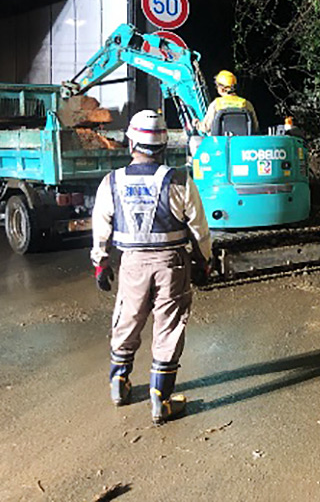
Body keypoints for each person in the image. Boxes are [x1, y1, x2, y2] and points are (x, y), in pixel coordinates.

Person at [91, 109, 212, 425]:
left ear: (131, 143)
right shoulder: (180, 181)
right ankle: (161, 401)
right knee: (169, 327)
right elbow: (199, 230)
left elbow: (101, 226)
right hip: (171, 264)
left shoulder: (111, 181)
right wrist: (204, 263)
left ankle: (119, 384)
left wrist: (101, 263)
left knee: (128, 319)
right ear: (163, 145)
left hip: (132, 264)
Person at [194, 69, 259, 135]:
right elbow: (255, 127)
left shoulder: (216, 104)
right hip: (244, 143)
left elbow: (206, 127)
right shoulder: (247, 104)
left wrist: (197, 124)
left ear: (222, 89)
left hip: (221, 144)